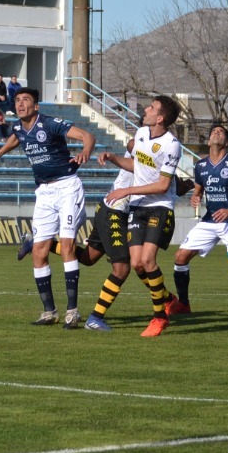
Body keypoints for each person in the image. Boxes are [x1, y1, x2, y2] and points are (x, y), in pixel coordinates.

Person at [0, 88, 96, 328]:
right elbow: (16, 138)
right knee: (38, 252)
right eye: (18, 100)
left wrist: (85, 151)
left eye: (26, 100)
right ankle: (49, 312)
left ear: (36, 107)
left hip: (67, 187)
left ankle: (72, 312)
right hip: (44, 192)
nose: (21, 104)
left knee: (67, 246)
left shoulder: (51, 124)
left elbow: (87, 135)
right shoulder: (17, 127)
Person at [97, 95, 183, 337]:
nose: (147, 109)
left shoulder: (171, 144)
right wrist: (114, 158)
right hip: (138, 207)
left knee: (147, 261)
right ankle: (168, 300)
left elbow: (163, 185)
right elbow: (138, 167)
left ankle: (159, 317)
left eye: (152, 107)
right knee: (136, 264)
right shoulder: (142, 134)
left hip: (159, 207)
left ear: (161, 117)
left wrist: (127, 190)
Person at [164, 124, 228, 321]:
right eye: (213, 132)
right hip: (209, 220)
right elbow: (199, 189)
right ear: (209, 141)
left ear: (226, 141)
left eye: (221, 132)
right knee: (180, 257)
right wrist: (196, 196)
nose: (217, 133)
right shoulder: (200, 166)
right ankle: (184, 304)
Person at [74, 142, 135, 332]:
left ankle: (43, 244)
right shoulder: (143, 142)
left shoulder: (154, 147)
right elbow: (132, 143)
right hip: (115, 212)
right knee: (122, 268)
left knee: (88, 258)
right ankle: (95, 318)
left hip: (106, 207)